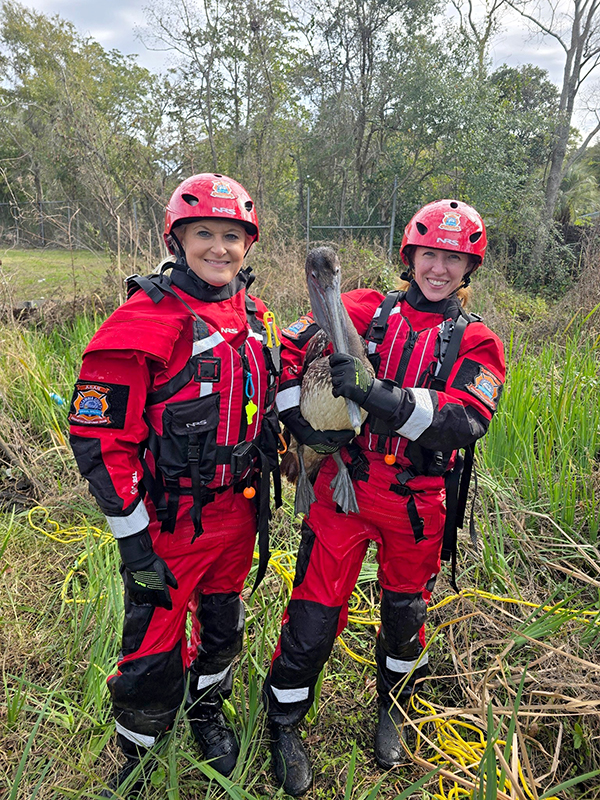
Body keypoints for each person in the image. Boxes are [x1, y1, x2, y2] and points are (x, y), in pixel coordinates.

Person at [263, 199, 506, 796]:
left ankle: (393, 708)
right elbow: (288, 350)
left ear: (468, 267)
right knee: (315, 617)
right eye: (430, 254)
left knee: (405, 619)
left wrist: (378, 395)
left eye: (453, 258)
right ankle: (285, 723)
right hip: (345, 486)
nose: (439, 268)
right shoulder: (365, 308)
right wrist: (303, 422)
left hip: (418, 501)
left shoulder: (477, 342)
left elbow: (465, 419)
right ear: (410, 256)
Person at [69, 174, 282, 797]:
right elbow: (98, 439)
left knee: (222, 625)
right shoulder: (143, 321)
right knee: (154, 642)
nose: (220, 248)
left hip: (239, 511)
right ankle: (137, 748)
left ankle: (207, 712)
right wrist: (134, 544)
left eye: (232, 237)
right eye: (205, 235)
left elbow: (277, 392)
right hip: (167, 519)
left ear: (249, 243)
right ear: (178, 237)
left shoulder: (256, 316)